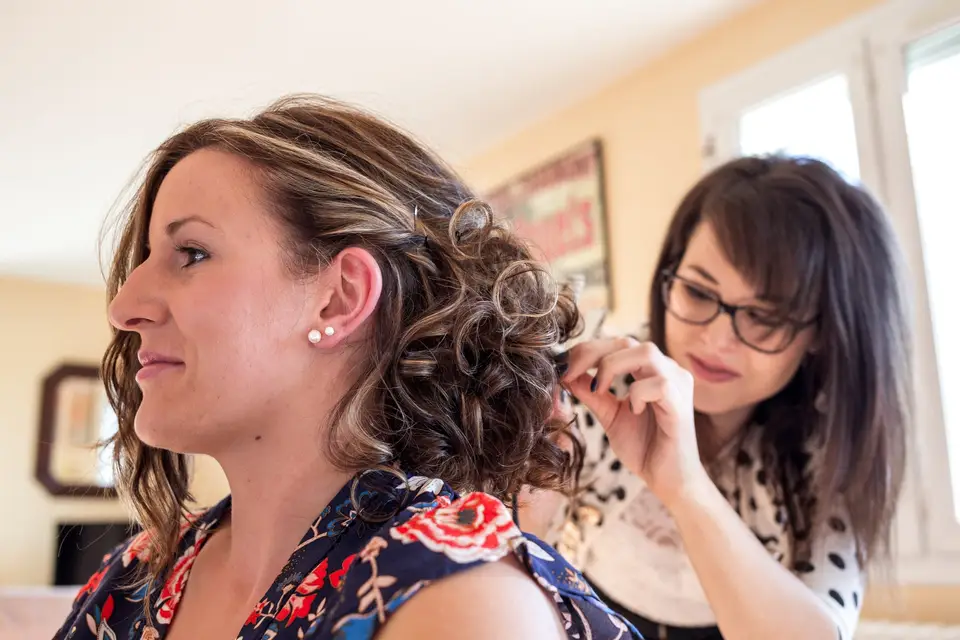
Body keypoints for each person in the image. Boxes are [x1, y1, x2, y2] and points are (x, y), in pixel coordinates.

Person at [54, 95, 641, 640]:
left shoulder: (464, 604)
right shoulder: (133, 578)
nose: (124, 307)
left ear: (339, 299)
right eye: (147, 259)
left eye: (192, 254)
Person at [525, 156, 911, 640]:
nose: (716, 338)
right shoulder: (607, 383)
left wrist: (686, 485)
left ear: (822, 332)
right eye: (699, 293)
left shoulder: (832, 449)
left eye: (764, 317)